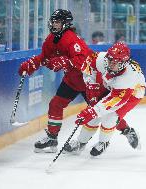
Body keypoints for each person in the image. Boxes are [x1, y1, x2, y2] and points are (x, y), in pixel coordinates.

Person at [18, 9, 101, 153]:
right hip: (72, 81)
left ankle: (124, 129)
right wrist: (31, 64)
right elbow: (45, 57)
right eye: (53, 21)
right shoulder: (51, 39)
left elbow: (82, 60)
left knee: (102, 111)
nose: (54, 25)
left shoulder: (72, 39)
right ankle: (52, 138)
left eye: (57, 22)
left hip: (89, 81)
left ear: (66, 24)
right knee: (55, 104)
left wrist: (64, 62)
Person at [62, 42, 146, 156]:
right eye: (110, 60)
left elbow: (114, 100)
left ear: (124, 63)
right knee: (94, 114)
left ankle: (104, 142)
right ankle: (80, 143)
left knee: (110, 117)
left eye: (116, 62)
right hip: (111, 85)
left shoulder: (128, 77)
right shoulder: (101, 58)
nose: (111, 64)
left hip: (132, 93)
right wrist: (91, 83)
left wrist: (94, 111)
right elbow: (88, 66)